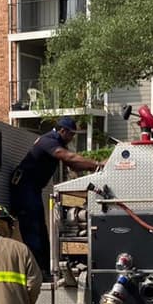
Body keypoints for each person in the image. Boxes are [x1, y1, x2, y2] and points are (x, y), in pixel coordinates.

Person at [10, 116, 98, 278]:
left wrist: (96, 169)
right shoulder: (48, 141)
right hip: (24, 187)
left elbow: (74, 164)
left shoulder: (57, 143)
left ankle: (44, 269)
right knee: (33, 229)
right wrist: (98, 165)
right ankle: (36, 271)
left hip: (32, 189)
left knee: (41, 230)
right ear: (62, 131)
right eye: (71, 134)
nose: (72, 138)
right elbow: (68, 157)